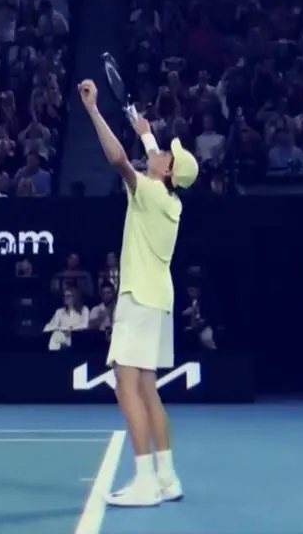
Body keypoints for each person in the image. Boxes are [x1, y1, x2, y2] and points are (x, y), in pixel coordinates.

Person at [78, 79, 198, 507]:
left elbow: (117, 160)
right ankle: (167, 477)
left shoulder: (147, 191)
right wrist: (143, 130)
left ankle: (145, 481)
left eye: (167, 154)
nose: (161, 151)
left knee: (125, 384)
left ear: (167, 171)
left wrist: (93, 110)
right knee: (148, 388)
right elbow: (151, 154)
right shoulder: (170, 199)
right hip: (159, 301)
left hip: (138, 300)